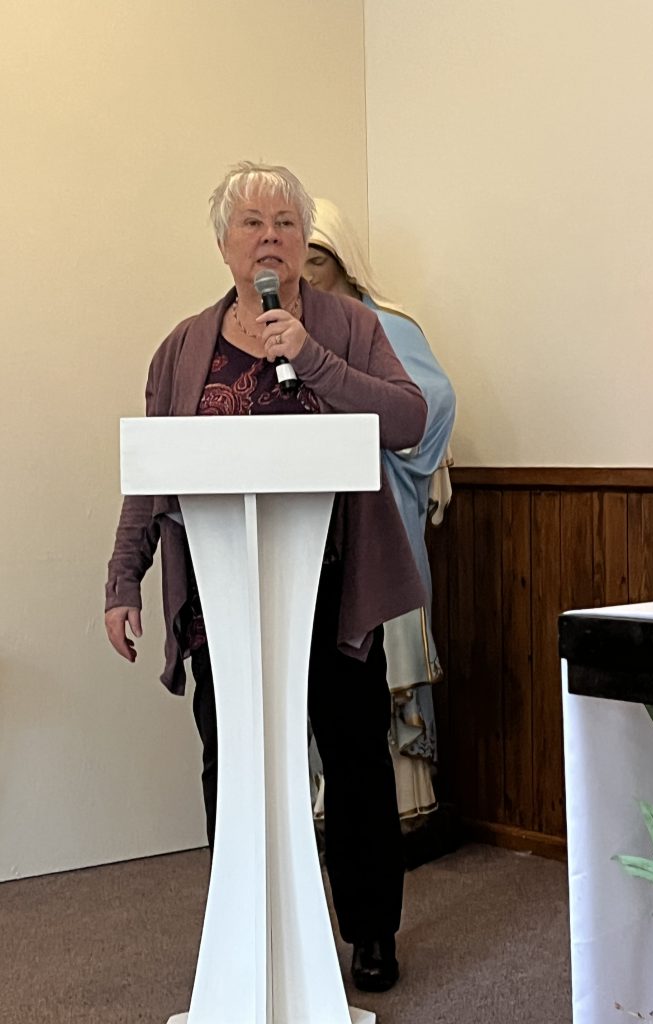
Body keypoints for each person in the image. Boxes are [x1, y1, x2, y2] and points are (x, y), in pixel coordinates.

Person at [104, 162, 428, 993]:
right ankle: (243, 924)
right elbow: (153, 474)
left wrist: (312, 360)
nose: (270, 237)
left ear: (304, 238)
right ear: (224, 244)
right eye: (252, 223)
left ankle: (370, 931)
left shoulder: (347, 326)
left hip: (331, 586)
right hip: (224, 597)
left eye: (285, 222)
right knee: (233, 760)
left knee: (353, 756)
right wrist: (123, 578)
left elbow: (408, 418)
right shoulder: (184, 347)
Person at [303, 199, 455, 831]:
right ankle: (333, 805)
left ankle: (403, 802)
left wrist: (388, 448)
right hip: (320, 521)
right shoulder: (295, 328)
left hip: (383, 504)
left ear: (342, 259)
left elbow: (434, 401)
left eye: (316, 259)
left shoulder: (383, 325)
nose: (305, 273)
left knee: (384, 654)